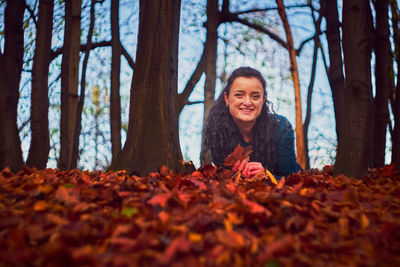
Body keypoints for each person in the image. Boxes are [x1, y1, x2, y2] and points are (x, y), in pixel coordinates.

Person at [201, 66, 302, 178]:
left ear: (263, 100)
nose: (247, 102)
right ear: (227, 98)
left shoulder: (281, 127)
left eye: (255, 96)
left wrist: (267, 176)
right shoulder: (217, 131)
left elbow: (292, 179)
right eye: (239, 95)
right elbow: (224, 177)